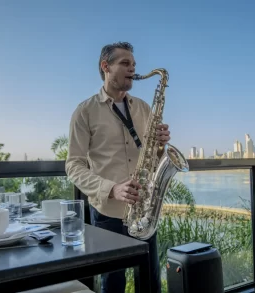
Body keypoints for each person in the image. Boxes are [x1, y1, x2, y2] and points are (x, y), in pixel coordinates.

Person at [65, 41, 170, 293]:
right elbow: (73, 165)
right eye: (125, 63)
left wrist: (160, 146)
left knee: (151, 282)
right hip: (108, 213)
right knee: (113, 285)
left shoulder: (145, 108)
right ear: (105, 67)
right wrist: (112, 188)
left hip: (144, 210)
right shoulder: (85, 111)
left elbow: (153, 160)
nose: (132, 69)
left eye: (134, 64)